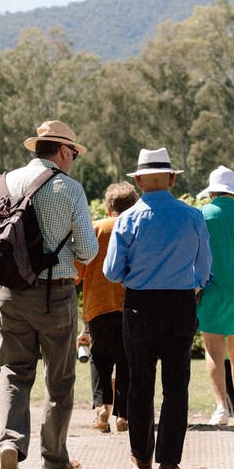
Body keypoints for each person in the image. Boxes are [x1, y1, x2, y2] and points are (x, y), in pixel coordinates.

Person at [0, 120, 99, 469]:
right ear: (64, 151)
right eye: (74, 155)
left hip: (8, 293)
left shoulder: (6, 183)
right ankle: (54, 460)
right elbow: (88, 251)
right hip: (55, 294)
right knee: (59, 378)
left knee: (12, 371)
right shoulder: (70, 188)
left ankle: (10, 443)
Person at [103, 148, 212, 469]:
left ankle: (141, 458)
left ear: (138, 181)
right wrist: (192, 284)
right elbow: (204, 268)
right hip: (180, 302)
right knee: (176, 385)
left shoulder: (127, 219)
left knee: (139, 383)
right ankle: (169, 462)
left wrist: (136, 278)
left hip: (140, 305)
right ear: (172, 179)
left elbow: (111, 271)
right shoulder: (192, 216)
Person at [196, 166, 234, 427]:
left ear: (211, 193)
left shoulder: (201, 215)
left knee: (213, 350)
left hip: (210, 289)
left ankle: (221, 408)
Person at [75, 181, 139, 434]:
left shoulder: (96, 229)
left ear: (108, 207)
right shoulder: (138, 227)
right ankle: (123, 415)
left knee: (99, 358)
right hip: (130, 305)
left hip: (98, 306)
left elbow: (78, 273)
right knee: (126, 360)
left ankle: (102, 408)